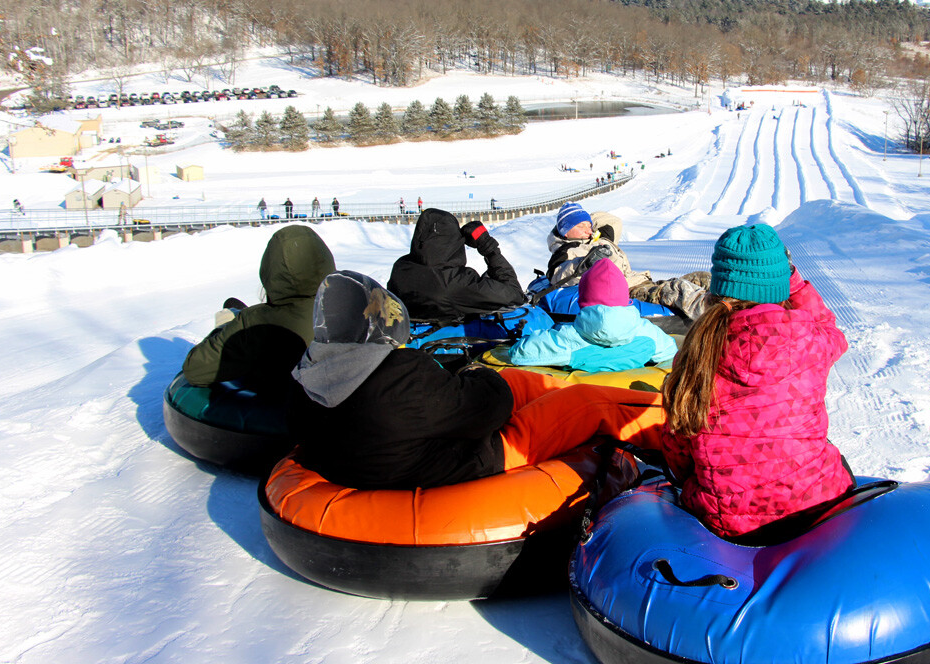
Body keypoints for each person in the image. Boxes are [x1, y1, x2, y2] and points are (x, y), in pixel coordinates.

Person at [289, 271, 665, 490]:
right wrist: (476, 377)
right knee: (587, 402)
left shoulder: (310, 377)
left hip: (394, 456)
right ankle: (669, 432)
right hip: (477, 456)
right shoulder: (397, 380)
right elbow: (489, 409)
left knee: (523, 382)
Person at [660, 223, 854, 540]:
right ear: (779, 283)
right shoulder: (811, 339)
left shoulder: (698, 350)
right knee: (834, 460)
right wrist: (793, 282)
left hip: (730, 523)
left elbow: (679, 448)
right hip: (815, 508)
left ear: (720, 285)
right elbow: (832, 330)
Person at [182, 225, 336, 393]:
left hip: (281, 409)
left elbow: (195, 370)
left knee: (231, 308)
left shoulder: (257, 323)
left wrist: (223, 328)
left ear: (271, 269)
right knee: (233, 304)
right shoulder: (353, 306)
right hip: (347, 410)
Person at [545, 201, 710, 321]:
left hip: (642, 281)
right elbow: (557, 275)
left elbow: (613, 221)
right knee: (677, 289)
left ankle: (732, 304)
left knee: (702, 277)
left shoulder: (599, 239)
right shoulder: (566, 251)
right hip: (628, 289)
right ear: (565, 231)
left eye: (589, 226)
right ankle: (718, 317)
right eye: (581, 227)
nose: (588, 231)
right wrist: (585, 263)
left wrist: (587, 221)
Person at [510, 258, 677, 373]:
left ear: (582, 299)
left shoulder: (567, 339)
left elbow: (519, 353)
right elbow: (671, 351)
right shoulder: (648, 333)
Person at [387, 208, 524, 321]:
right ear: (454, 240)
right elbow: (515, 294)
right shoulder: (455, 281)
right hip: (453, 346)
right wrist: (489, 248)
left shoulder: (401, 267)